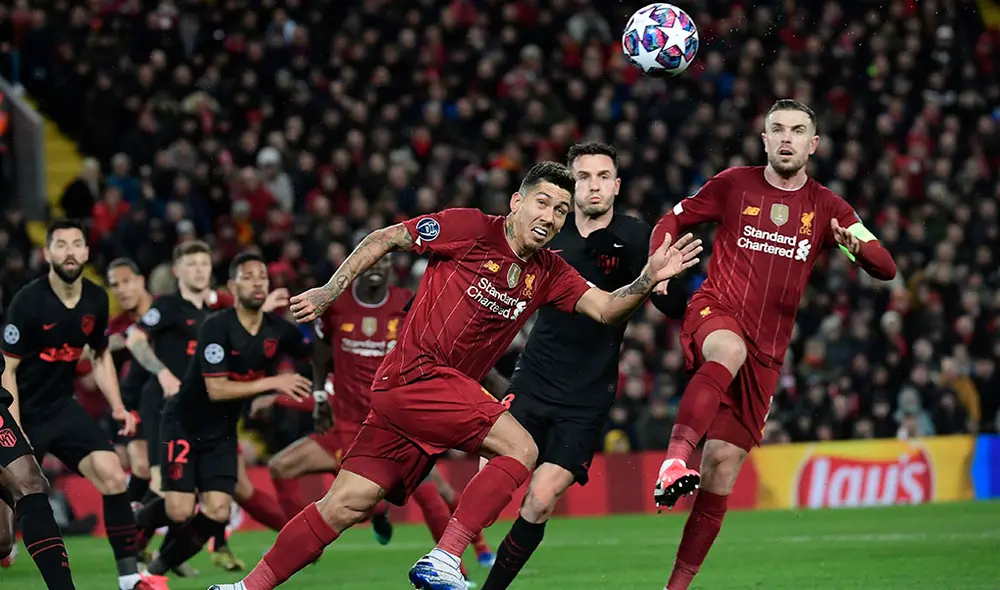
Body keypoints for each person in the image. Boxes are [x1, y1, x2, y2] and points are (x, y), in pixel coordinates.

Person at [209, 161, 702, 590]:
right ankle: (445, 557)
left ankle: (246, 587)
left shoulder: (550, 271)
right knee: (522, 449)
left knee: (344, 503)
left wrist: (647, 278)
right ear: (517, 202)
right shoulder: (470, 228)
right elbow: (386, 238)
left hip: (425, 398)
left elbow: (607, 309)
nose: (550, 217)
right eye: (542, 203)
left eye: (560, 211)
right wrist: (329, 291)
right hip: (417, 374)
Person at [647, 99, 897, 590]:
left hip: (768, 353)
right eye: (777, 129)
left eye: (797, 130)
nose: (787, 138)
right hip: (716, 310)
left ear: (813, 144)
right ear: (764, 140)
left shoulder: (828, 208)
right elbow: (670, 221)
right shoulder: (732, 185)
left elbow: (886, 266)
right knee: (729, 350)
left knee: (721, 469)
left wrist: (855, 247)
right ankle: (675, 458)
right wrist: (659, 264)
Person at [480, 141, 675, 590]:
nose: (594, 186)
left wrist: (663, 284)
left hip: (587, 398)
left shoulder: (637, 237)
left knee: (540, 500)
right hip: (533, 381)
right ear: (571, 185)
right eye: (583, 177)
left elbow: (672, 304)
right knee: (489, 486)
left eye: (603, 176)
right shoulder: (550, 234)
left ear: (617, 185)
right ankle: (450, 557)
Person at [265, 256, 493, 582]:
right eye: (371, 262)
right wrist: (320, 397)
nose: (376, 267)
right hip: (344, 426)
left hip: (395, 423)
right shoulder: (337, 305)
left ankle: (460, 569)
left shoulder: (407, 302)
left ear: (390, 267)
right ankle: (309, 544)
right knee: (282, 467)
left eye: (384, 262)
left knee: (433, 491)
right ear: (358, 264)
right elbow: (321, 351)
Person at [133, 252, 313, 579]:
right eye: (248, 277)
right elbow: (216, 389)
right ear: (232, 286)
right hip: (184, 424)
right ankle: (130, 529)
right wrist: (274, 383)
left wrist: (326, 387)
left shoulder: (277, 330)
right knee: (179, 510)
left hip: (223, 433)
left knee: (217, 511)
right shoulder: (215, 326)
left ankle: (155, 574)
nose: (257, 282)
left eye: (262, 276)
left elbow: (315, 350)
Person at [0, 220, 157, 590]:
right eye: (61, 244)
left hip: (61, 407)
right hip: (22, 410)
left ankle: (130, 577)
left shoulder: (96, 299)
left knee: (113, 474)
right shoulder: (28, 301)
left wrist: (117, 407)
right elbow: (8, 368)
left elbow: (100, 356)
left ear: (86, 251)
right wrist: (16, 425)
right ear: (47, 253)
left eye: (76, 244)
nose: (69, 251)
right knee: (3, 539)